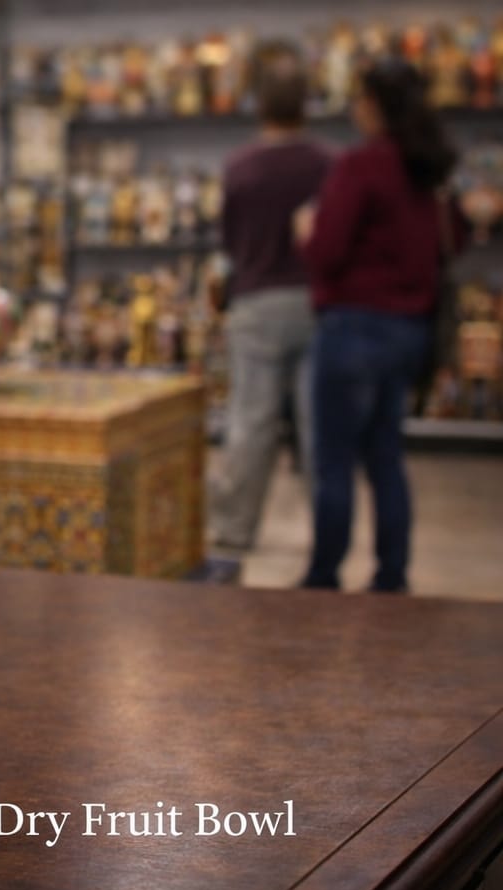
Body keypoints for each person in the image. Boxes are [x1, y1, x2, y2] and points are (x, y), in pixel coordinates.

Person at [297, 58, 459, 593]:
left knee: (334, 460)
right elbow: (447, 242)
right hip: (409, 330)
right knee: (386, 456)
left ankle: (324, 576)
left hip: (353, 327)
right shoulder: (425, 169)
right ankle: (392, 575)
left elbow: (326, 251)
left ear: (374, 105)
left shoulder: (362, 165)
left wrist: (306, 230)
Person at [203, 42, 332, 583]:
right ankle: (329, 535)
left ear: (259, 106)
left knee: (250, 423)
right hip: (316, 305)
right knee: (318, 426)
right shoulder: (327, 163)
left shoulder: (240, 166)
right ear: (306, 105)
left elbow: (228, 245)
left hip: (255, 303)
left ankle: (233, 535)